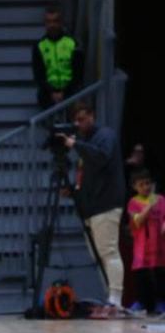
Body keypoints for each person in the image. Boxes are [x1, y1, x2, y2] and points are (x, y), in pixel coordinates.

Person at [60, 103, 127, 312]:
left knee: (108, 251)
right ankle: (110, 297)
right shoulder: (86, 142)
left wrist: (75, 144)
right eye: (76, 121)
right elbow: (88, 176)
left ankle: (116, 298)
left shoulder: (105, 135)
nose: (79, 124)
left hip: (106, 202)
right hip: (91, 206)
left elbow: (101, 157)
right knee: (98, 255)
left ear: (92, 116)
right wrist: (74, 191)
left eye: (82, 119)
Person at [127, 169, 165, 316]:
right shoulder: (133, 203)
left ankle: (161, 303)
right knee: (142, 276)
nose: (146, 187)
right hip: (142, 247)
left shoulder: (161, 200)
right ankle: (142, 302)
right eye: (141, 184)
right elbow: (138, 221)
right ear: (135, 187)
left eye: (148, 183)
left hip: (159, 246)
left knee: (160, 275)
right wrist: (149, 205)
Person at [33, 7, 83, 109]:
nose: (52, 25)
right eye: (49, 22)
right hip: (47, 93)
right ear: (45, 24)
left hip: (71, 91)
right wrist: (52, 92)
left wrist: (64, 92)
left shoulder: (73, 43)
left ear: (61, 22)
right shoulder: (39, 46)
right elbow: (38, 74)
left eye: (55, 21)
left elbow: (79, 71)